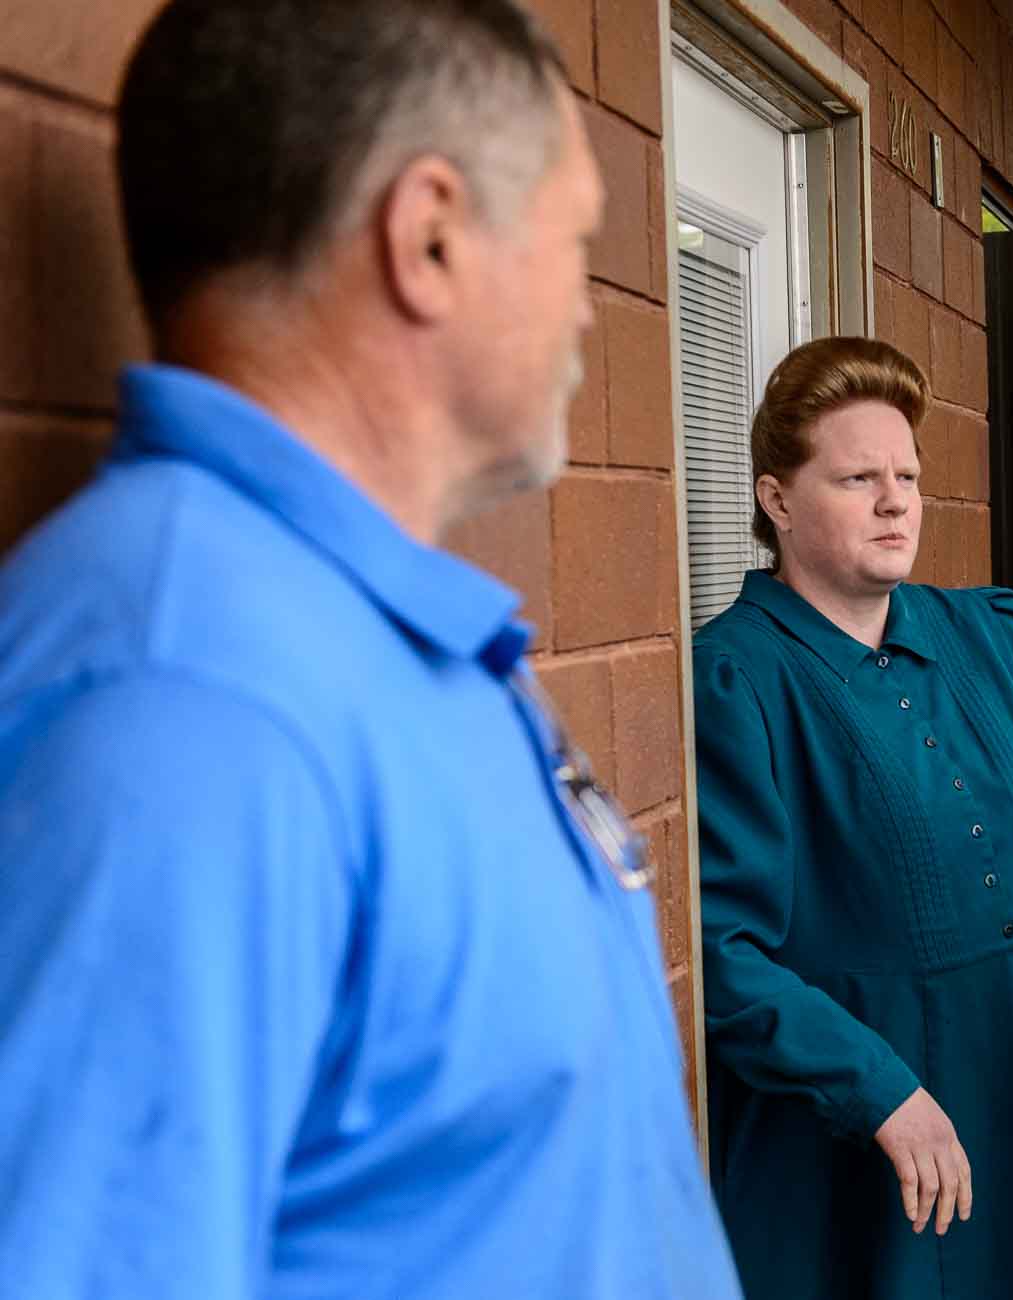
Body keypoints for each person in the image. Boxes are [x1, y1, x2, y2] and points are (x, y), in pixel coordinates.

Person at [0, 3, 739, 1298]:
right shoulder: (187, 705)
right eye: (573, 241)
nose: (588, 309)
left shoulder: (343, 634)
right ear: (432, 235)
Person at [693, 335, 1013, 1300]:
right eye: (857, 476)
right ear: (776, 501)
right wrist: (879, 1091)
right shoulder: (733, 677)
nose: (894, 499)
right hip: (883, 1135)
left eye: (906, 474)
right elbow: (719, 948)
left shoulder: (994, 635)